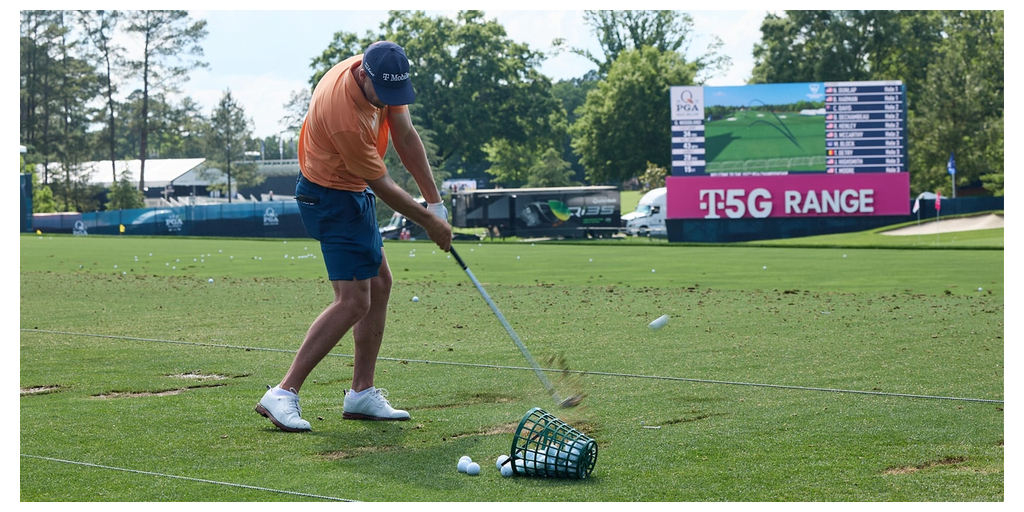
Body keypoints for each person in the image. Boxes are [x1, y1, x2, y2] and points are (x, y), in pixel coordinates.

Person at [256, 41, 452, 432]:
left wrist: (436, 203)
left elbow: (405, 136)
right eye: (385, 93)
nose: (390, 101)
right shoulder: (342, 112)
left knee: (379, 283)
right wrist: (428, 222)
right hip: (328, 196)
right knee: (353, 300)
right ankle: (283, 392)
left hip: (351, 192)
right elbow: (382, 183)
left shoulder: (383, 75)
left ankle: (362, 392)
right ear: (363, 75)